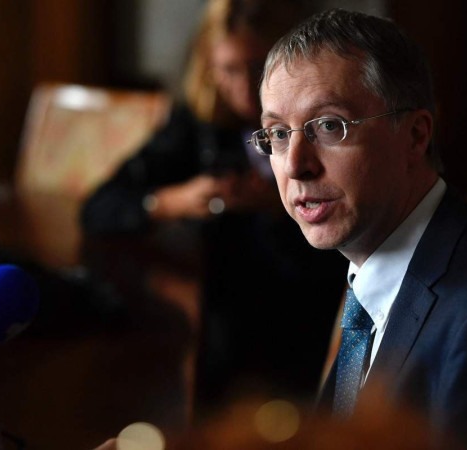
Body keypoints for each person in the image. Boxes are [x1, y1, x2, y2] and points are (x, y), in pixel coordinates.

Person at [247, 8, 467, 449]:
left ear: (415, 136)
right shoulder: (366, 275)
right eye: (277, 133)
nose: (295, 165)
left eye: (328, 126)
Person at [81, 0, 347, 417]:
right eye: (228, 70)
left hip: (310, 304)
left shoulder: (327, 121)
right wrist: (173, 200)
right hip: (225, 312)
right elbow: (99, 207)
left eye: (257, 68)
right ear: (209, 69)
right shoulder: (199, 123)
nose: (243, 87)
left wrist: (284, 206)